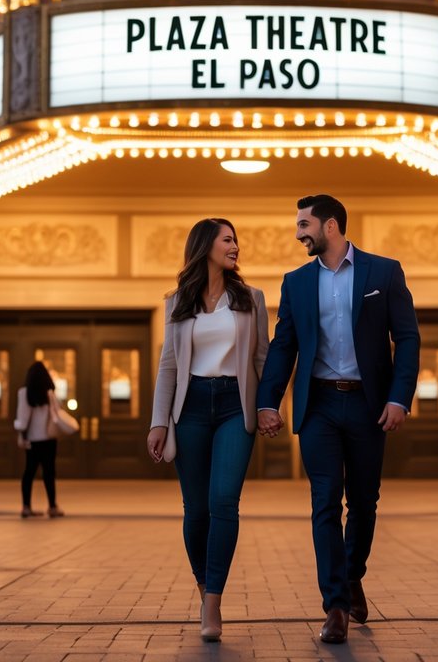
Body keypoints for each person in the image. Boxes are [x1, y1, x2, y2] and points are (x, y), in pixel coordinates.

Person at [256, 194, 419, 644]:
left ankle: (352, 575)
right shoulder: (296, 282)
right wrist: (268, 400)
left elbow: (406, 339)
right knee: (324, 501)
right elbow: (284, 345)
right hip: (320, 406)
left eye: (304, 224)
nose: (298, 233)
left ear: (330, 226)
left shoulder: (384, 272)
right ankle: (335, 606)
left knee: (364, 502)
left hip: (369, 406)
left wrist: (399, 398)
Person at [147, 218, 269, 642]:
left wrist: (269, 406)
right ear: (206, 246)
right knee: (195, 510)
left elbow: (261, 360)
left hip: (236, 407)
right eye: (228, 239)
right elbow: (168, 366)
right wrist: (158, 422)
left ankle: (213, 601)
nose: (236, 246)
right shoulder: (178, 301)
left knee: (223, 502)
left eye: (236, 239)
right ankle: (203, 588)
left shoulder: (251, 298)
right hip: (191, 408)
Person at [14, 361, 65, 519]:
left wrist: (20, 430)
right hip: (49, 439)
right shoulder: (50, 393)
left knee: (29, 472)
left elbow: (22, 418)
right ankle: (52, 506)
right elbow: (58, 412)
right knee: (49, 473)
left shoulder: (24, 393)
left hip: (32, 440)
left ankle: (26, 506)